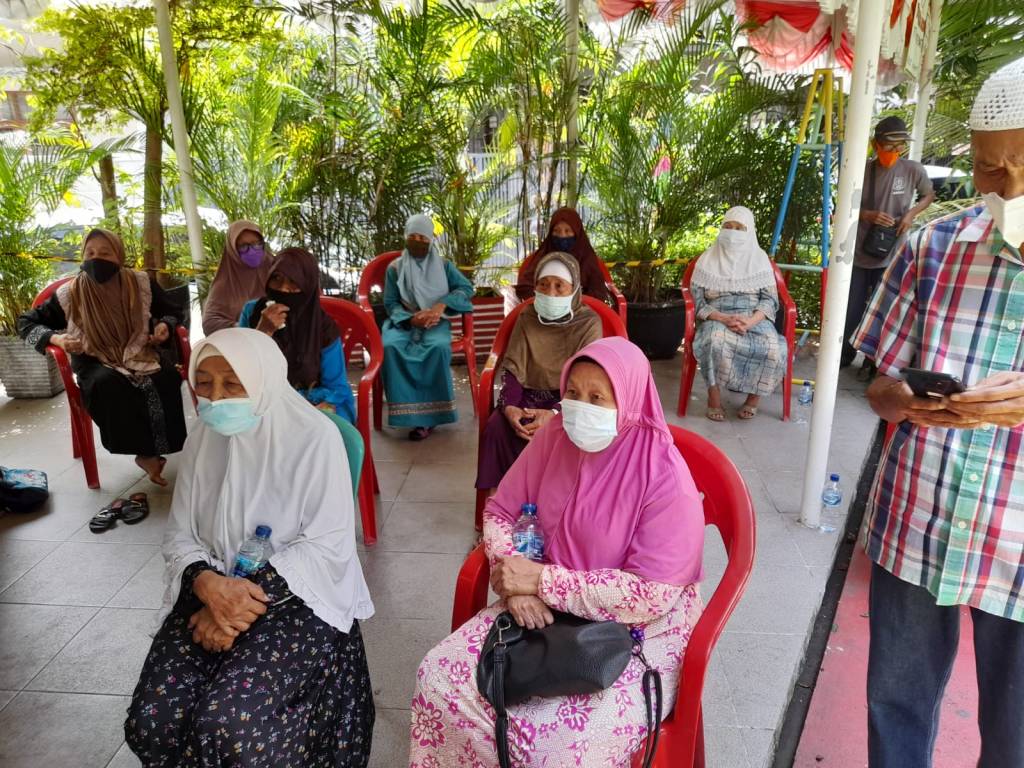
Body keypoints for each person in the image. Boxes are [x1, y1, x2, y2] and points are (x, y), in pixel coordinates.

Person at [409, 337, 705, 767]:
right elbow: (500, 512)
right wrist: (516, 583)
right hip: (540, 602)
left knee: (557, 746)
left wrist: (543, 581)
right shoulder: (555, 435)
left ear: (629, 401)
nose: (580, 408)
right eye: (573, 393)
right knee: (438, 676)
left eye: (597, 398)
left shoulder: (664, 476)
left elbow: (650, 595)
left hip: (636, 630)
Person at [850, 57, 1024, 768]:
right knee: (895, 709)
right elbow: (879, 385)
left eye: (1021, 165)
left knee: (1015, 739)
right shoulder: (932, 249)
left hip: (1017, 541)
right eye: (988, 167)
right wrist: (901, 399)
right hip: (918, 519)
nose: (1007, 186)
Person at [124, 328, 375, 767]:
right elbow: (180, 533)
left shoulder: (314, 439)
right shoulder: (203, 437)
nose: (216, 398)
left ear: (263, 379)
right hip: (211, 586)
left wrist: (236, 601)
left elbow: (325, 545)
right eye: (205, 383)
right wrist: (207, 585)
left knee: (230, 726)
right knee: (153, 718)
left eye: (233, 383)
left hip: (296, 596)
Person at [17, 228, 187, 486]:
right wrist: (57, 339)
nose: (96, 259)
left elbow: (174, 311)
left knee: (166, 378)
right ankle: (144, 454)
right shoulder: (70, 294)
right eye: (90, 253)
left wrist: (165, 325)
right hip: (93, 358)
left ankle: (155, 449)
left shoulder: (141, 284)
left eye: (105, 253)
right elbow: (25, 323)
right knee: (106, 384)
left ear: (119, 256)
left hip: (139, 350)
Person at [476, 251, 602, 491]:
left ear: (574, 289)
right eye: (543, 285)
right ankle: (499, 504)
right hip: (528, 397)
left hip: (572, 400)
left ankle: (555, 502)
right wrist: (509, 407)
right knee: (497, 428)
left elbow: (588, 381)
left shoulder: (589, 323)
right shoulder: (527, 317)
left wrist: (554, 413)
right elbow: (514, 366)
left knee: (567, 433)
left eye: (559, 286)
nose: (550, 293)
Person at [841, 116, 935, 370]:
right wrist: (868, 215)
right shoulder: (862, 170)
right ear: (875, 145)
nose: (894, 151)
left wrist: (910, 214)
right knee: (851, 308)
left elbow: (928, 195)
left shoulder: (913, 170)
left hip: (893, 253)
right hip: (860, 251)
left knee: (886, 309)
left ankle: (873, 363)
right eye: (888, 146)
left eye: (899, 146)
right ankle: (844, 355)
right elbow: (842, 207)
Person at [381, 213, 474, 440]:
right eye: (412, 236)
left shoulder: (444, 266)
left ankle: (431, 418)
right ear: (405, 237)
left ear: (431, 240)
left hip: (435, 321)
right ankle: (408, 416)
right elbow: (390, 302)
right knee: (390, 347)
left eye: (423, 238)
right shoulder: (395, 268)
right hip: (404, 322)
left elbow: (466, 289)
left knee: (438, 348)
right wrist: (410, 319)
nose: (417, 242)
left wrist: (441, 305)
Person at [690, 206, 786, 421]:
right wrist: (722, 317)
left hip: (753, 316)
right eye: (728, 226)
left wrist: (750, 321)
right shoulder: (707, 259)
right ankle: (714, 399)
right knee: (714, 341)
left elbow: (770, 300)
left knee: (774, 347)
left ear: (749, 231)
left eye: (739, 228)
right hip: (717, 315)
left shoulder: (760, 259)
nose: (732, 233)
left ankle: (753, 400)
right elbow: (697, 300)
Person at [239, 246, 356, 423]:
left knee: (320, 431)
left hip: (315, 401)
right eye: (276, 279)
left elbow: (336, 386)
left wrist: (306, 407)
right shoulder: (253, 312)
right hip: (264, 402)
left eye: (294, 282)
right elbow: (241, 369)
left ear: (307, 285)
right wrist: (263, 332)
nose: (284, 289)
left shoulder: (322, 327)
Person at [515, 207, 610, 303]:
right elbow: (525, 287)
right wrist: (544, 301)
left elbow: (598, 293)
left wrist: (573, 304)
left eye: (567, 231)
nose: (562, 236)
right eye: (557, 231)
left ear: (577, 233)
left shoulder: (587, 259)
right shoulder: (542, 255)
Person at [202, 220, 274, 336]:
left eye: (256, 243)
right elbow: (209, 324)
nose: (252, 250)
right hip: (245, 342)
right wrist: (244, 326)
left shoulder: (275, 269)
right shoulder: (224, 284)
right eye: (244, 246)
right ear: (233, 249)